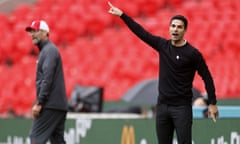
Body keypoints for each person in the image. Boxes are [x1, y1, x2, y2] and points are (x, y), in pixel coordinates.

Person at [108, 2, 219, 144]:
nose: (175, 29)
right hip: (162, 107)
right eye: (173, 26)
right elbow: (141, 33)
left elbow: (207, 77)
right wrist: (122, 15)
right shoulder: (163, 46)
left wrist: (212, 103)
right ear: (169, 29)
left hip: (182, 108)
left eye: (179, 27)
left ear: (185, 30)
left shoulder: (193, 54)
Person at [25, 20, 68, 144]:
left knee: (36, 139)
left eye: (36, 31)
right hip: (58, 105)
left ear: (46, 33)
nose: (33, 34)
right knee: (57, 141)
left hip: (50, 105)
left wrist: (40, 103)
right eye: (31, 32)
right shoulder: (47, 51)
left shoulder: (49, 51)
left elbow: (47, 78)